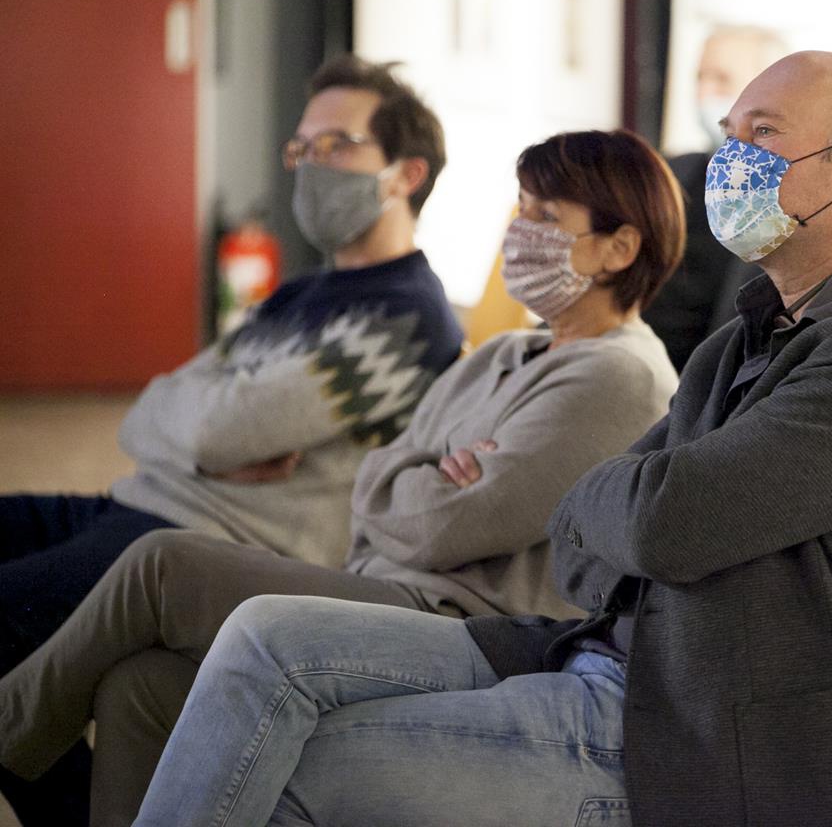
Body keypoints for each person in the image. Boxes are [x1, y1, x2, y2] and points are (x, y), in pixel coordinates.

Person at [129, 51, 832, 827]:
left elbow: (664, 523)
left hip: (695, 740)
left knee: (291, 767)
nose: (731, 160)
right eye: (730, 136)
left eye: (762, 135)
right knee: (264, 637)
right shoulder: (745, 338)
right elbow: (582, 541)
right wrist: (635, 512)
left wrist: (636, 511)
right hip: (601, 660)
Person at [0, 130, 685, 827]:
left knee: (162, 566)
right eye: (521, 207)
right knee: (139, 685)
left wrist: (412, 474)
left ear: (619, 248)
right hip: (381, 582)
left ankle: (10, 721)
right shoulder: (506, 351)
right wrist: (421, 471)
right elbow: (381, 477)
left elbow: (442, 525)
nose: (520, 230)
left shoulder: (619, 376)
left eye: (546, 216)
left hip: (461, 620)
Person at [0, 54, 463, 822]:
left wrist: (205, 430)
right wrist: (203, 438)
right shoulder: (297, 294)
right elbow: (151, 413)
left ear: (406, 174)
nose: (310, 164)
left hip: (199, 537)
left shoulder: (408, 319)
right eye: (301, 146)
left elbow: (216, 424)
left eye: (336, 145)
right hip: (133, 504)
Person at [643, 23, 788, 370]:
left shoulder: (788, 195)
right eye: (700, 78)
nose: (704, 93)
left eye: (721, 79)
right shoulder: (672, 173)